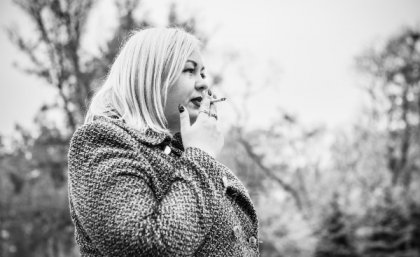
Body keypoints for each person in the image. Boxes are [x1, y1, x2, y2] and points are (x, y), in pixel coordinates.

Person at [67, 27, 259, 257]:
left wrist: (199, 154)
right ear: (151, 77)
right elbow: (147, 245)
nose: (204, 84)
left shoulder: (188, 157)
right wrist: (201, 153)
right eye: (190, 71)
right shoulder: (101, 141)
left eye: (203, 74)